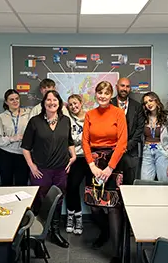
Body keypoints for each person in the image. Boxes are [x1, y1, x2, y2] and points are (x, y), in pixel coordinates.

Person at [22, 90, 76, 249]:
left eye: (55, 100)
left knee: (58, 201)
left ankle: (54, 232)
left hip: (60, 170)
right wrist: (32, 166)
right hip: (41, 170)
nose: (52, 102)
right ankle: (37, 237)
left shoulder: (65, 120)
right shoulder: (35, 122)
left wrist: (72, 156)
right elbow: (25, 148)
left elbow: (69, 141)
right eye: (48, 100)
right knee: (39, 201)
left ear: (59, 103)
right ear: (44, 103)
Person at [82, 81, 127, 263]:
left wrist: (110, 168)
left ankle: (116, 253)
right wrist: (92, 165)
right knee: (94, 205)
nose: (102, 96)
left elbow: (122, 142)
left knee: (114, 207)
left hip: (113, 161)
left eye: (106, 93)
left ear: (111, 95)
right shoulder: (89, 114)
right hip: (94, 161)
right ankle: (106, 231)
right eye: (100, 92)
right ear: (96, 94)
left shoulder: (118, 113)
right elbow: (85, 142)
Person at [0, 89, 30, 186]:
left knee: (22, 185)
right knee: (6, 185)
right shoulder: (2, 117)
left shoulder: (28, 114)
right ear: (6, 102)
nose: (15, 101)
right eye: (11, 99)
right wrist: (12, 139)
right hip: (6, 155)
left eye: (17, 98)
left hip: (23, 155)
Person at [111, 77, 145, 184]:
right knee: (112, 183)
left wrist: (127, 146)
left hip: (130, 151)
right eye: (122, 85)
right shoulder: (108, 104)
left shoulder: (137, 106)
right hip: (112, 150)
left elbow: (140, 128)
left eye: (127, 86)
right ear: (116, 87)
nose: (124, 89)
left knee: (129, 183)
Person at [65, 94, 89, 235]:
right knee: (72, 187)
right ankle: (73, 216)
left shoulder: (90, 117)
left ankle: (80, 219)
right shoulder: (67, 118)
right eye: (71, 105)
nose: (74, 107)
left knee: (91, 190)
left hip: (89, 158)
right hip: (75, 158)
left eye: (76, 103)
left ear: (81, 103)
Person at [141, 92, 168, 182]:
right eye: (146, 102)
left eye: (150, 100)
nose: (148, 104)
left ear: (156, 101)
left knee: (164, 182)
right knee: (145, 182)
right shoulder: (143, 118)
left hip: (162, 151)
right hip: (147, 151)